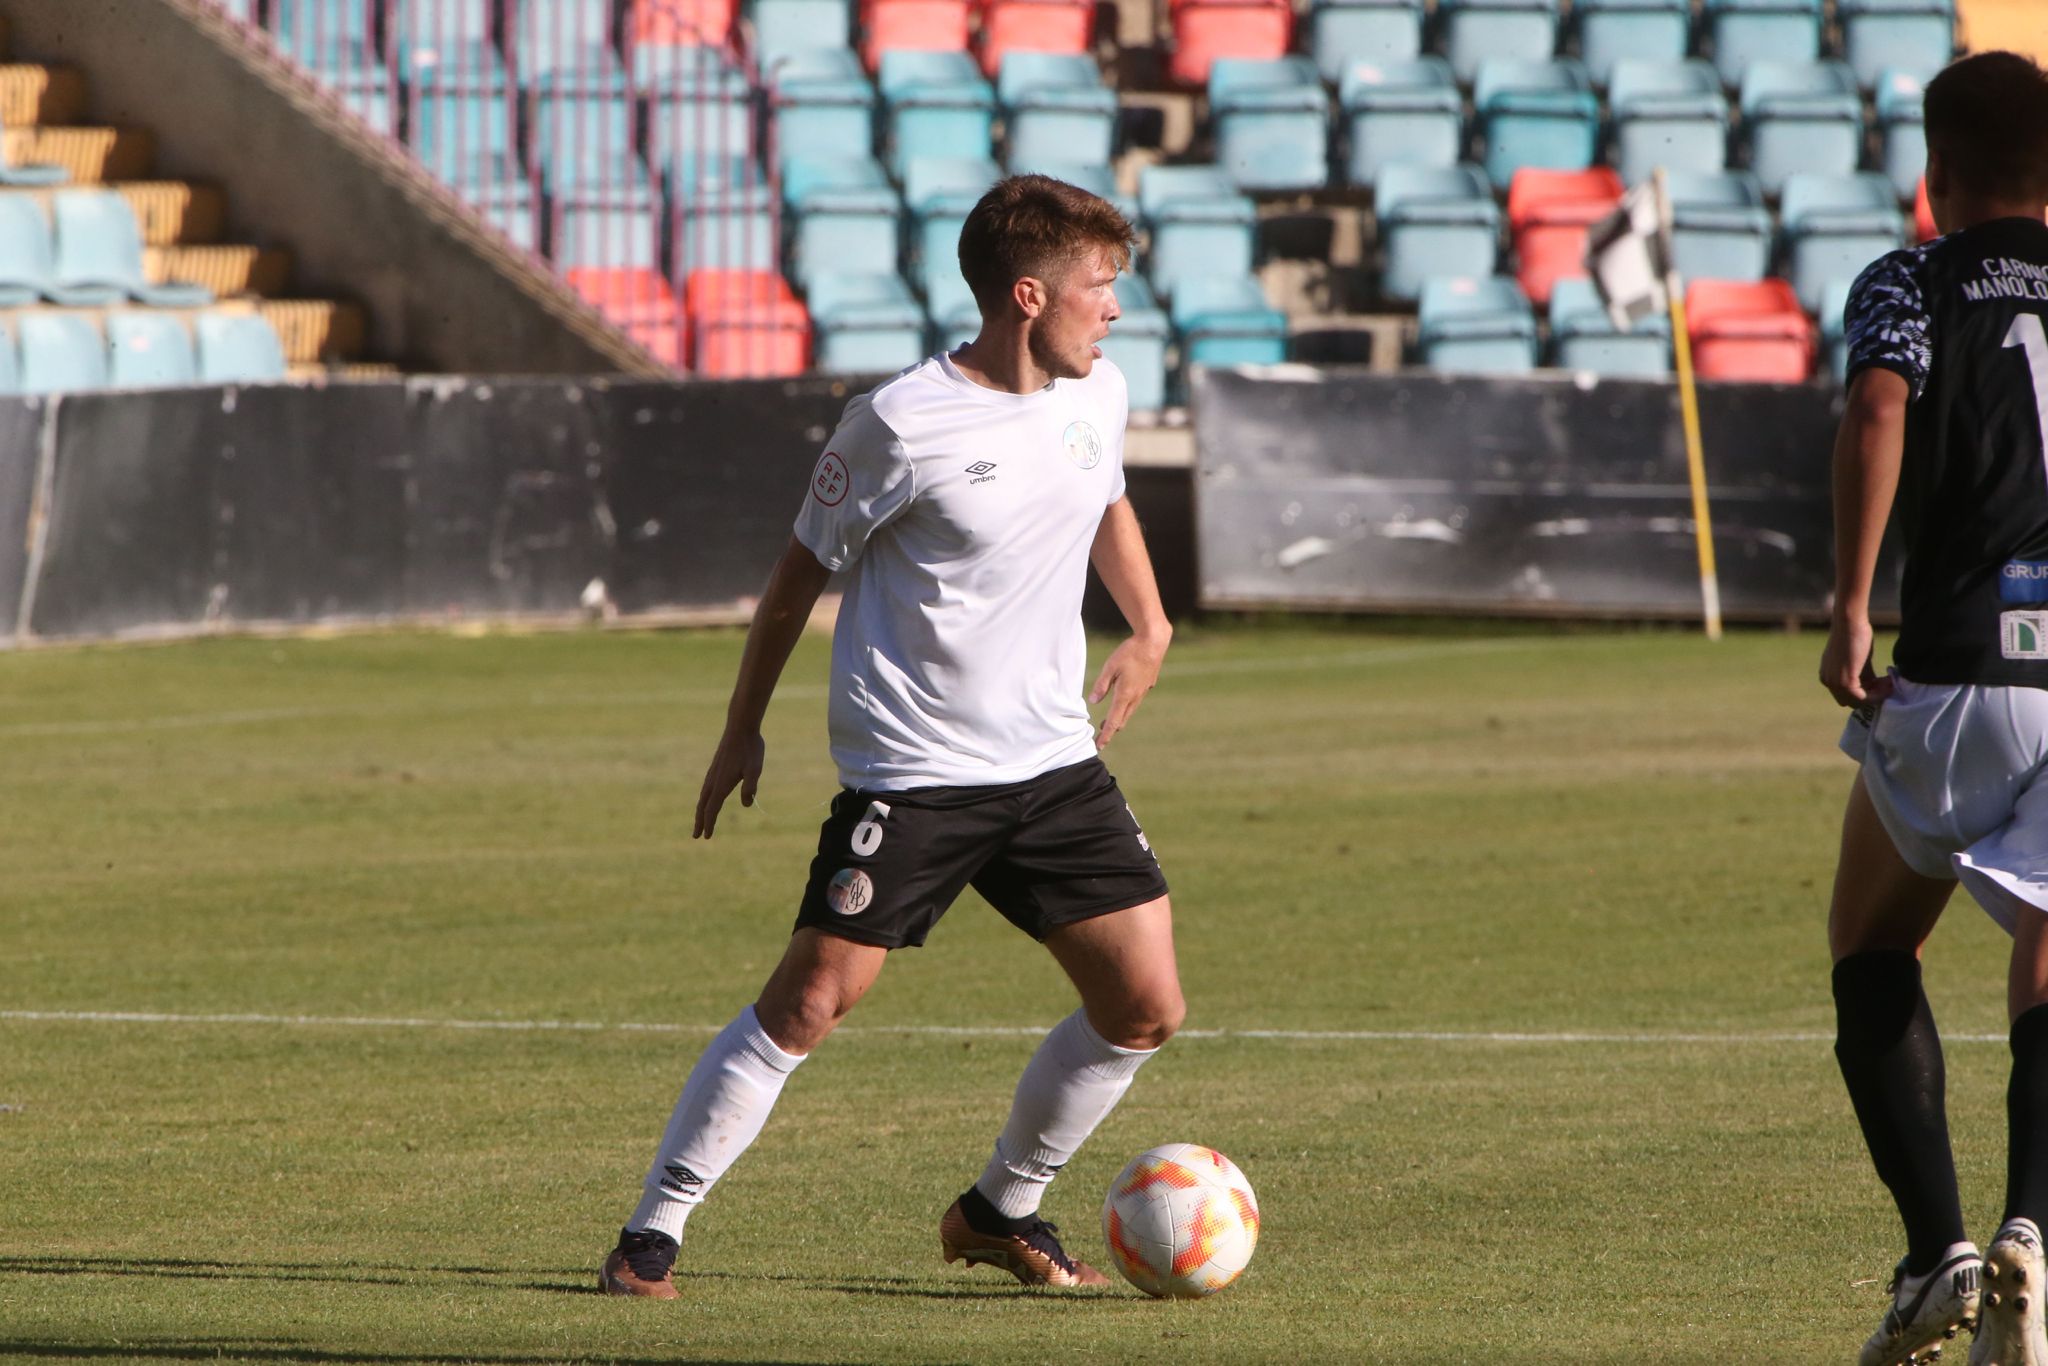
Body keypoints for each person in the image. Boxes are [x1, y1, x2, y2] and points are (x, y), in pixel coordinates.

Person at [598, 175, 1182, 1297]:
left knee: (1143, 1007)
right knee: (808, 1002)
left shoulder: (1095, 393)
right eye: (1097, 288)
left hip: (1055, 767)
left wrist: (1148, 624)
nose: (1112, 310)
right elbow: (792, 578)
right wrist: (740, 727)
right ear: (1026, 295)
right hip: (915, 778)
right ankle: (650, 1233)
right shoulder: (897, 424)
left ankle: (999, 1206)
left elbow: (1101, 495)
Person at [1819, 49, 2048, 1366]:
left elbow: (1875, 407)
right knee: (2047, 946)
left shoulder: (1913, 277)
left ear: (1935, 172)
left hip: (1961, 661)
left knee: (1871, 942)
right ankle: (2033, 1225)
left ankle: (1937, 1248)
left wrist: (1853, 602)